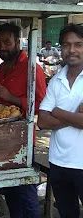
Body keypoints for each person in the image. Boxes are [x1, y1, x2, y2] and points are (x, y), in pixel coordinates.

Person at [0, 23, 46, 218]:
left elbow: (42, 105)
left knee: (24, 189)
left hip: (22, 141)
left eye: (6, 42)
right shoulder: (0, 69)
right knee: (10, 190)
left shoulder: (32, 68)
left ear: (18, 41)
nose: (2, 48)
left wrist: (12, 98)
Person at [37, 24, 83, 218]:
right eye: (66, 45)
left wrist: (55, 111)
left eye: (78, 44)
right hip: (59, 162)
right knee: (66, 213)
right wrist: (75, 116)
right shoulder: (57, 79)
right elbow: (42, 121)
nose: (71, 50)